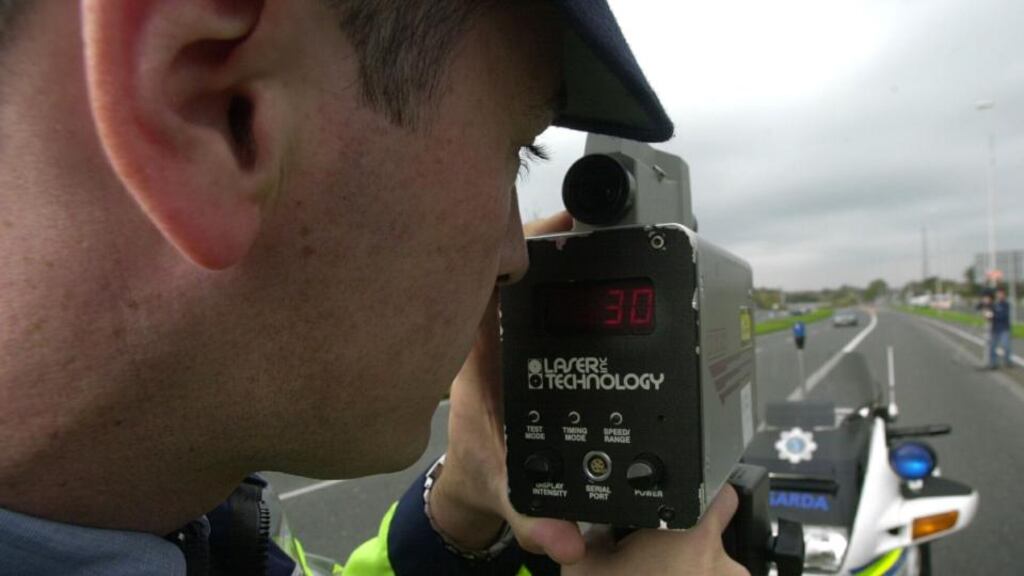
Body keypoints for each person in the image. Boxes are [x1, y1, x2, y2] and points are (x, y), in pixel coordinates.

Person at [0, 1, 746, 575]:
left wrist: (452, 520)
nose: (517, 258)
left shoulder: (177, 517)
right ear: (218, 104)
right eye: (515, 155)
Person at [988, 288, 1014, 369]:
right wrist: (988, 315)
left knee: (1006, 346)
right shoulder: (993, 304)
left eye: (1001, 294)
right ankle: (993, 363)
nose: (999, 295)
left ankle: (1007, 361)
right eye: (998, 294)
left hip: (1004, 329)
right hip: (994, 329)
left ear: (1004, 295)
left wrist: (993, 315)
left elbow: (1003, 316)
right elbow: (989, 314)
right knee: (992, 347)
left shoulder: (1006, 304)